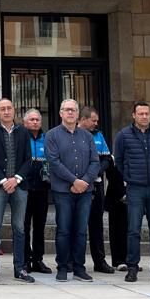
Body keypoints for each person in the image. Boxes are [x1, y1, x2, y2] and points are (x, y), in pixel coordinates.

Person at [114, 100, 150, 283]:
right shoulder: (123, 135)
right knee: (133, 230)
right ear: (134, 115)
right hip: (135, 188)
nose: (144, 116)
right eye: (141, 114)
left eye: (147, 113)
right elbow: (120, 161)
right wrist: (130, 175)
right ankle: (132, 268)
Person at [45, 98, 100, 281]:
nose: (70, 113)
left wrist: (84, 181)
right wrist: (74, 180)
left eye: (73, 110)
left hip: (85, 190)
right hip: (63, 190)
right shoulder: (52, 135)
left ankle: (79, 268)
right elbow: (54, 162)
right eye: (67, 110)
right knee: (64, 229)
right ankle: (62, 267)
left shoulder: (87, 136)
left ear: (78, 114)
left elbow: (95, 161)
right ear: (61, 113)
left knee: (81, 230)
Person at [0, 98, 33, 284]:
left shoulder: (23, 132)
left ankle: (20, 268)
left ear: (14, 110)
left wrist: (16, 179)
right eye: (2, 109)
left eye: (9, 108)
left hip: (19, 185)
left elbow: (29, 159)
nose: (6, 112)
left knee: (19, 228)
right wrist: (4, 180)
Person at [82, 106, 122, 274]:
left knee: (97, 225)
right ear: (83, 120)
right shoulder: (76, 134)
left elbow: (107, 158)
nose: (96, 123)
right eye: (93, 120)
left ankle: (100, 261)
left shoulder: (98, 135)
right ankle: (73, 260)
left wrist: (98, 171)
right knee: (77, 225)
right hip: (79, 185)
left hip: (97, 185)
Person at [23, 107, 52, 274]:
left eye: (37, 119)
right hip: (25, 188)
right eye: (31, 119)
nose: (35, 122)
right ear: (25, 122)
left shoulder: (47, 138)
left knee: (39, 225)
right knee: (24, 225)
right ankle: (26, 259)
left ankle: (38, 259)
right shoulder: (21, 138)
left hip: (42, 188)